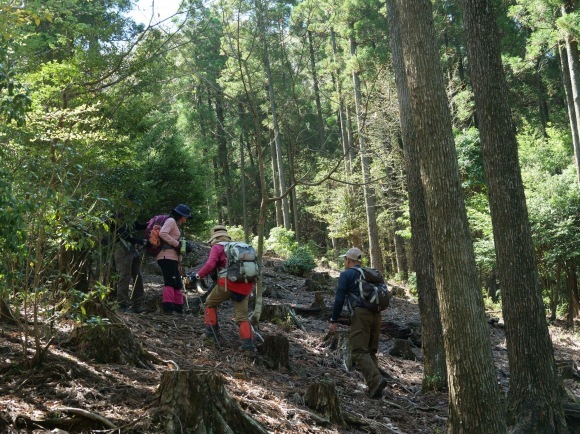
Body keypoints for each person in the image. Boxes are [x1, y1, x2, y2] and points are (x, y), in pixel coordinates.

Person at [329, 247, 388, 399]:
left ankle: (376, 381)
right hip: (377, 314)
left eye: (345, 259)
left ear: (349, 260)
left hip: (361, 315)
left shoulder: (346, 274)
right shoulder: (370, 274)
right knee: (370, 350)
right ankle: (376, 387)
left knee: (358, 351)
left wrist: (333, 320)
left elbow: (339, 299)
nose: (344, 262)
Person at [194, 226, 255, 351]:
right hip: (246, 284)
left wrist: (198, 275)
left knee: (210, 303)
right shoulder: (239, 247)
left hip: (227, 283)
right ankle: (248, 346)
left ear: (214, 238)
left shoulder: (217, 247)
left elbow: (210, 264)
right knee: (242, 317)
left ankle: (211, 333)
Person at [111, 196, 148, 314]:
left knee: (138, 276)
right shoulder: (118, 215)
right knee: (124, 276)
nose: (134, 206)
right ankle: (122, 304)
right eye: (133, 203)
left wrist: (150, 223)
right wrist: (140, 241)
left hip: (133, 250)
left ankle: (137, 304)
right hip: (122, 250)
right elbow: (122, 234)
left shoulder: (130, 216)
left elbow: (137, 226)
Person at [157, 203, 191, 315]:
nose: (186, 219)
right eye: (185, 217)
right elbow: (162, 233)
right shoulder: (171, 221)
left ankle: (178, 309)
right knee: (170, 282)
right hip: (166, 256)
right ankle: (168, 309)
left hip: (173, 257)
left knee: (177, 283)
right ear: (180, 215)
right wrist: (177, 244)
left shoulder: (175, 223)